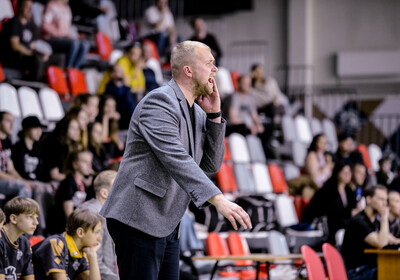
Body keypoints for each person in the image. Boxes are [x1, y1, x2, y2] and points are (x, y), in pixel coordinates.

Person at [100, 40, 252, 279]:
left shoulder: (196, 111)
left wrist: (214, 117)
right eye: (209, 63)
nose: (216, 69)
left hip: (166, 222)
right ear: (188, 70)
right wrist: (218, 199)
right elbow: (176, 157)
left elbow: (211, 165)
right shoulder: (159, 101)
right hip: (139, 217)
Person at [341, 185, 400, 280]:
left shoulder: (375, 222)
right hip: (357, 272)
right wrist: (384, 217)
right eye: (381, 199)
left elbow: (393, 240)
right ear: (368, 199)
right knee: (393, 272)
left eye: (386, 200)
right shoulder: (358, 221)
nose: (385, 204)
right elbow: (381, 243)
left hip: (370, 268)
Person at [11, 116, 55, 233]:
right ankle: (40, 228)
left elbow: (41, 172)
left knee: (50, 189)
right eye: (35, 128)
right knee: (39, 189)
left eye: (40, 128)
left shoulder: (38, 149)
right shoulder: (17, 148)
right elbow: (16, 171)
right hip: (23, 181)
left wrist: (46, 182)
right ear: (26, 129)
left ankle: (47, 226)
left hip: (36, 182)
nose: (39, 131)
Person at [0, 0, 63, 81]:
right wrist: (31, 54)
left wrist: (42, 54)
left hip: (28, 58)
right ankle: (35, 84)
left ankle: (53, 83)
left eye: (31, 7)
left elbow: (33, 45)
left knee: (60, 58)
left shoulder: (32, 26)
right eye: (27, 7)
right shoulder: (13, 22)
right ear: (19, 7)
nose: (30, 10)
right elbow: (15, 46)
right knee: (36, 60)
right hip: (15, 58)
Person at [32, 208, 102, 280]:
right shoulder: (56, 244)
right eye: (96, 232)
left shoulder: (83, 250)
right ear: (80, 232)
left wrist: (92, 256)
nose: (100, 238)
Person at [301, 162, 359, 244]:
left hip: (341, 221)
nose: (348, 175)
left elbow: (351, 208)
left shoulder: (349, 190)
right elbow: (332, 211)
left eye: (349, 172)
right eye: (344, 172)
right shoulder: (328, 189)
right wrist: (350, 213)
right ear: (337, 172)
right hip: (326, 222)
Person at [80, 170, 118, 280]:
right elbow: (93, 258)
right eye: (117, 187)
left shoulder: (104, 212)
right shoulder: (93, 214)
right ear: (104, 193)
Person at [47, 150, 94, 235]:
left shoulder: (84, 184)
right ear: (75, 164)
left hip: (74, 226)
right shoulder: (68, 183)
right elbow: (69, 215)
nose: (89, 165)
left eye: (90, 162)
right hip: (60, 229)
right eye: (85, 162)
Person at [41, 0, 90, 68]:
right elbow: (45, 25)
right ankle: (68, 68)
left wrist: (73, 35)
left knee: (85, 44)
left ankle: (75, 69)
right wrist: (58, 33)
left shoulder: (67, 8)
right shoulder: (52, 6)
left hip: (65, 38)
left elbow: (68, 27)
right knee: (74, 44)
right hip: (52, 38)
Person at [0, 197, 40, 279]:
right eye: (30, 216)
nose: (36, 222)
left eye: (36, 217)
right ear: (14, 218)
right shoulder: (0, 239)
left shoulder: (25, 243)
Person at [0, 112, 32, 200]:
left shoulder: (8, 141)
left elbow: (11, 168)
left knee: (36, 186)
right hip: (2, 179)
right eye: (8, 121)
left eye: (13, 122)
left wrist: (22, 179)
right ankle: (19, 213)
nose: (12, 125)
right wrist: (16, 179)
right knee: (23, 187)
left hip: (6, 179)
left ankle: (35, 214)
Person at [104, 64, 137, 129]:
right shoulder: (109, 87)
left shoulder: (125, 87)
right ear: (112, 74)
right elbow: (123, 101)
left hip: (129, 118)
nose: (122, 73)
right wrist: (127, 87)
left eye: (122, 71)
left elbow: (131, 104)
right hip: (119, 119)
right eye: (118, 71)